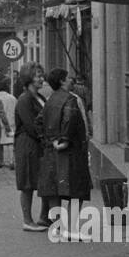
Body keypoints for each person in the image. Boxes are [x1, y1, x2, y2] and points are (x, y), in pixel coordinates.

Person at [37, 69, 90, 225]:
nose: (71, 80)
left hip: (52, 152)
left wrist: (48, 140)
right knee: (76, 190)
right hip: (71, 152)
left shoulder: (50, 100)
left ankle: (57, 224)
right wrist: (64, 140)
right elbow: (69, 119)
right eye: (68, 78)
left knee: (54, 189)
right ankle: (72, 225)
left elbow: (38, 122)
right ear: (61, 81)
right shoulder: (70, 100)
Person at [14, 65, 48, 231]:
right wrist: (46, 138)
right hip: (28, 144)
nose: (41, 79)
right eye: (37, 76)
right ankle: (27, 221)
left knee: (43, 181)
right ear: (29, 79)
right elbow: (30, 124)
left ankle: (43, 217)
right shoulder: (24, 99)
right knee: (27, 182)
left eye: (42, 76)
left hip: (38, 144)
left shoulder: (38, 96)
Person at [0, 75, 18, 175]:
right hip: (11, 123)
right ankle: (12, 161)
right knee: (11, 143)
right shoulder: (12, 98)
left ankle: (0, 160)